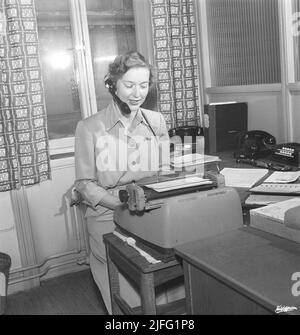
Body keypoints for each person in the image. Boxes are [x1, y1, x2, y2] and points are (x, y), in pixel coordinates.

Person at [74, 51, 172, 314]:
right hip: (108, 215)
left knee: (165, 293)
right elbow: (84, 184)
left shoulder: (157, 121)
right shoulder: (89, 127)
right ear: (112, 85)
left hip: (149, 211)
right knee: (127, 301)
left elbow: (164, 170)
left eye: (143, 85)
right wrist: (121, 202)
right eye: (129, 85)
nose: (137, 93)